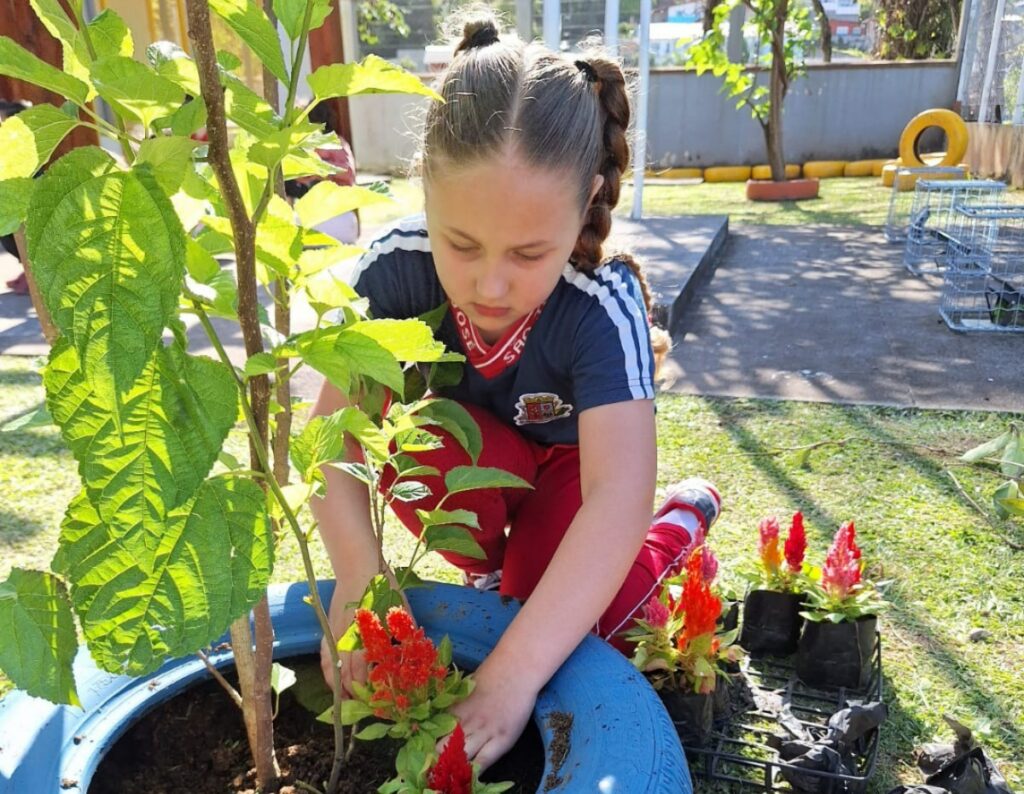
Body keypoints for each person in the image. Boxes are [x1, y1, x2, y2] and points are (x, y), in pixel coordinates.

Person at [310, 12, 721, 772]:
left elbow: (614, 492)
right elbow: (329, 444)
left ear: (588, 200)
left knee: (577, 634)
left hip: (577, 481)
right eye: (460, 244)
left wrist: (510, 676)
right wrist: (362, 588)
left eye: (529, 252)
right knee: (422, 446)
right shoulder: (392, 272)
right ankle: (507, 566)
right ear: (424, 187)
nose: (489, 284)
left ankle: (678, 529)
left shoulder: (602, 300)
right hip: (479, 461)